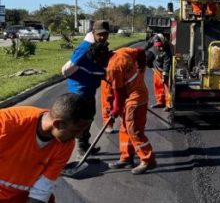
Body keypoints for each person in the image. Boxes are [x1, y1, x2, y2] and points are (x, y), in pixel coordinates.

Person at [0, 93, 93, 203]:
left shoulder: (66, 144)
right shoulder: (6, 124)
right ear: (58, 124)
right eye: (76, 130)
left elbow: (42, 187)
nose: (80, 136)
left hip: (24, 197)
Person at [60, 21, 110, 156]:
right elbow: (67, 69)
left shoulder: (99, 46)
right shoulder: (85, 48)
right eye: (100, 35)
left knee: (89, 116)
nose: (103, 37)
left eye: (105, 34)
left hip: (90, 88)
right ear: (93, 33)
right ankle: (78, 149)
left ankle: (85, 145)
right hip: (79, 90)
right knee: (80, 119)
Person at [105, 47, 157, 175]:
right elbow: (140, 51)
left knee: (134, 129)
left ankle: (147, 159)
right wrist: (141, 69)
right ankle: (126, 157)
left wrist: (115, 111)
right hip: (134, 94)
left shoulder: (113, 68)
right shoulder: (121, 52)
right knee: (125, 127)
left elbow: (119, 94)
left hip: (135, 98)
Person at [144, 34, 173, 109]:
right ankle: (160, 102)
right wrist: (144, 51)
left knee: (166, 86)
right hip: (157, 67)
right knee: (157, 84)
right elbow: (146, 47)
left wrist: (165, 74)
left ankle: (168, 104)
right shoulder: (153, 40)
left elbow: (167, 63)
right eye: (157, 45)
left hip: (163, 68)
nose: (158, 47)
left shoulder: (167, 49)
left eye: (160, 46)